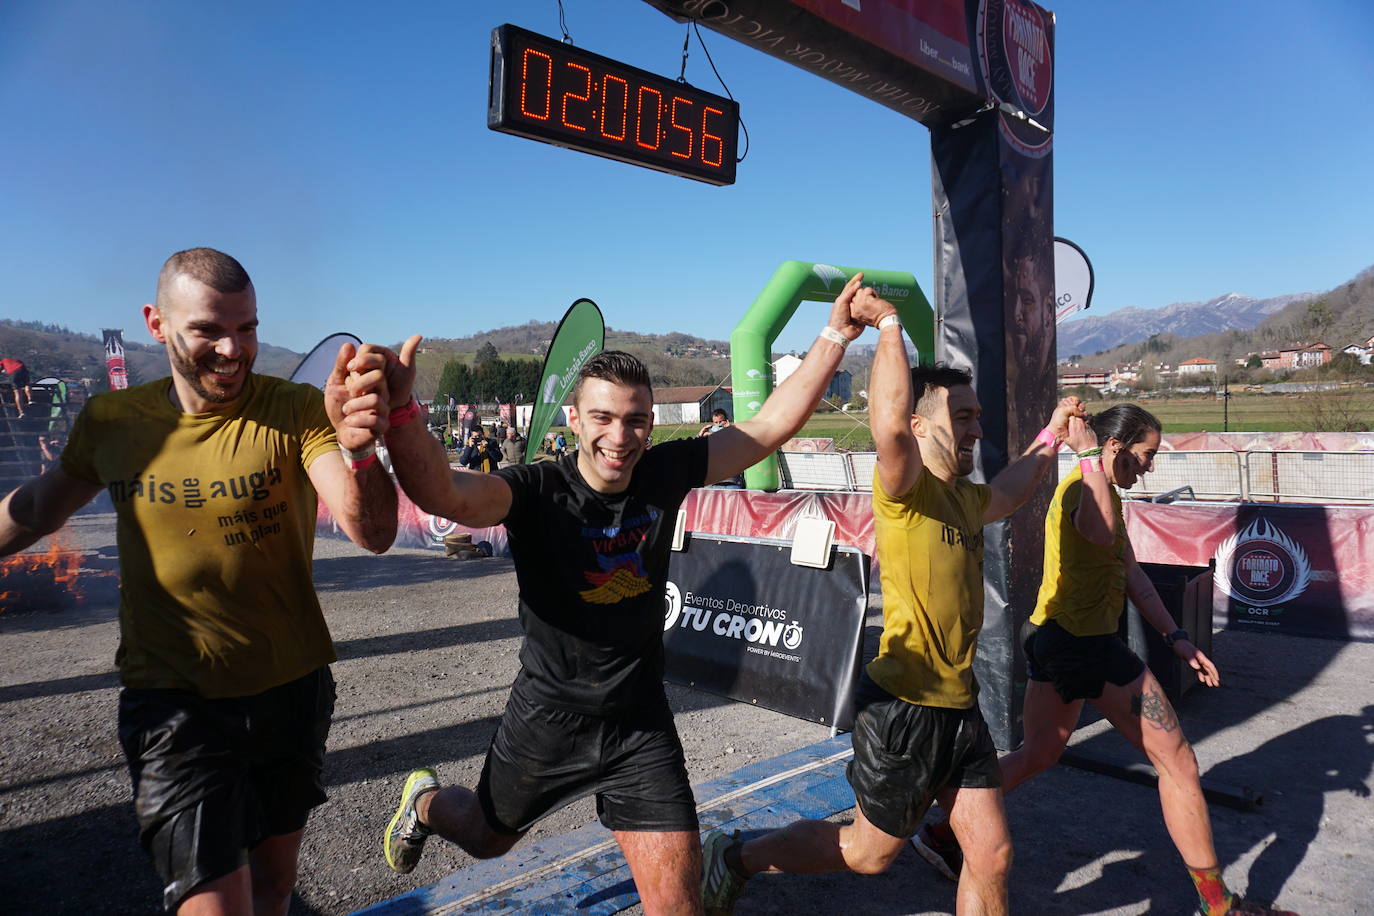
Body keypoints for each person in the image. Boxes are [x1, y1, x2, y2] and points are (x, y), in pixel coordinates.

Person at [362, 273, 885, 913]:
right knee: (482, 838)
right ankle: (423, 801)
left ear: (651, 423)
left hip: (639, 723)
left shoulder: (663, 471)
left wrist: (835, 333)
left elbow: (771, 425)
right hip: (549, 719)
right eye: (604, 418)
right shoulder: (536, 490)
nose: (620, 436)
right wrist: (406, 415)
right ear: (575, 419)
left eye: (636, 420)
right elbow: (446, 494)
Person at [0, 248, 398, 915]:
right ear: (156, 324)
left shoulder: (294, 409)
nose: (232, 348)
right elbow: (40, 509)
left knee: (274, 888)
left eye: (246, 329)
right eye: (209, 330)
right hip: (174, 705)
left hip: (290, 690)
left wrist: (360, 450)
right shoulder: (113, 422)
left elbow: (373, 533)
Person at [701, 286, 1084, 916]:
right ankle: (737, 855)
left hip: (960, 708)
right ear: (920, 423)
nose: (976, 429)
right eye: (962, 417)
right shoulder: (904, 487)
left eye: (978, 417)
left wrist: (1050, 436)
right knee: (869, 854)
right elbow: (887, 420)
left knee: (990, 854)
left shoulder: (966, 498)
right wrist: (887, 328)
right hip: (904, 709)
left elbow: (1011, 491)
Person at [916, 405, 1296, 916]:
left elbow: (1131, 570)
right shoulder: (1083, 487)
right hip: (1082, 646)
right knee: (1178, 762)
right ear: (1115, 447)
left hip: (1058, 641)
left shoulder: (1105, 491)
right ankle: (1219, 906)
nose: (1150, 468)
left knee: (1039, 756)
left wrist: (1177, 636)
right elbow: (1095, 533)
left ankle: (943, 832)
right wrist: (1088, 454)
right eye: (1146, 455)